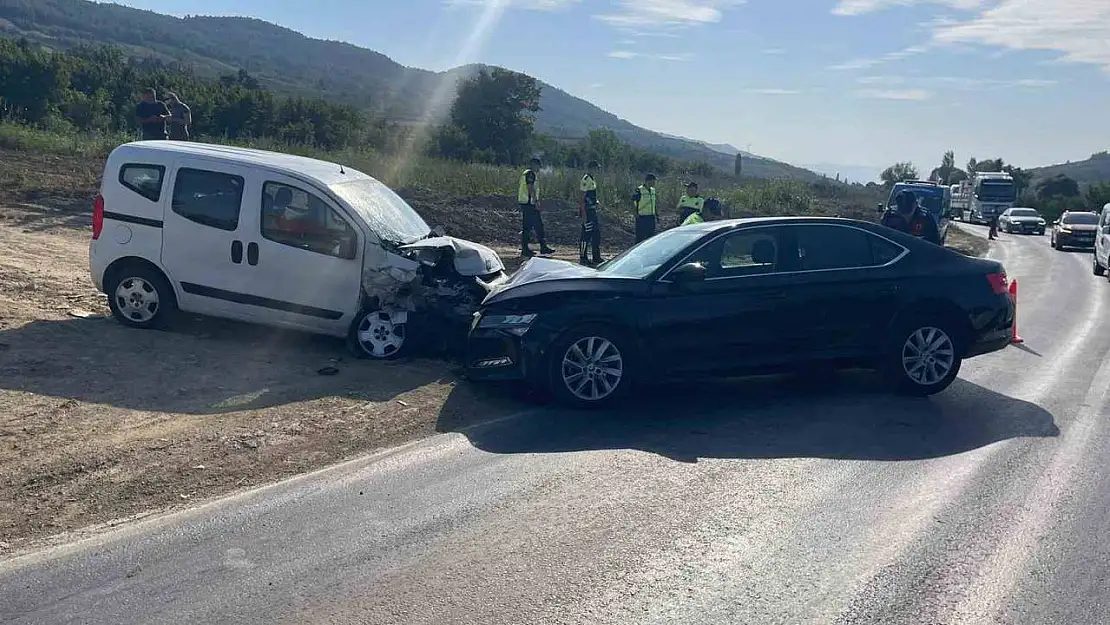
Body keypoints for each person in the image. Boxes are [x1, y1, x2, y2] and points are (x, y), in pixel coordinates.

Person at [518, 157, 554, 257]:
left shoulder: (527, 173)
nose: (539, 168)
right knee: (533, 226)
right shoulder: (530, 174)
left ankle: (541, 247)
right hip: (529, 203)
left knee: (534, 226)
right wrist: (536, 201)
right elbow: (530, 188)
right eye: (538, 166)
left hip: (527, 203)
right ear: (534, 164)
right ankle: (533, 248)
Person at [578, 160, 603, 266]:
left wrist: (595, 202)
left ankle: (596, 257)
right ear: (591, 168)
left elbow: (590, 196)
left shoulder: (592, 180)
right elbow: (582, 198)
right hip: (587, 211)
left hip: (592, 210)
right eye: (595, 168)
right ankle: (583, 257)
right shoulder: (586, 179)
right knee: (586, 235)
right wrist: (583, 215)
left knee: (596, 233)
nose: (597, 170)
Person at [632, 173, 658, 243]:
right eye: (653, 181)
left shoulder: (653, 190)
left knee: (651, 239)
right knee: (640, 239)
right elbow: (633, 202)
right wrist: (635, 214)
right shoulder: (639, 190)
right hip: (642, 218)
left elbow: (653, 202)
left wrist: (656, 214)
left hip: (651, 217)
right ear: (648, 181)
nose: (654, 182)